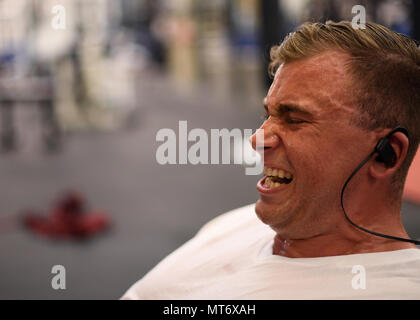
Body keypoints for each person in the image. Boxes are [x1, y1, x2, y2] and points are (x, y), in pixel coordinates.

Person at [122, 21, 420, 299]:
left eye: (295, 120)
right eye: (268, 115)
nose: (257, 139)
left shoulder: (391, 290)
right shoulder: (239, 221)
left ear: (386, 154)